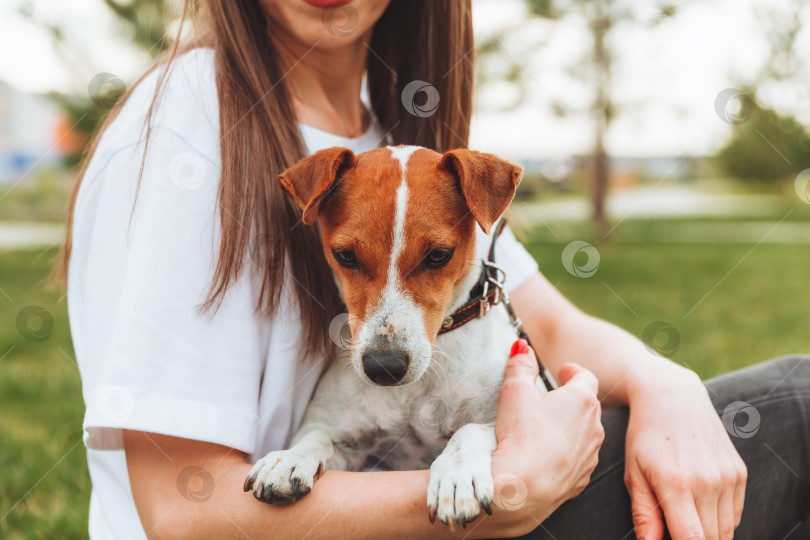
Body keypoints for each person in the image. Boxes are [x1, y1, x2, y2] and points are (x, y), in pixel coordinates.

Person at [61, 0, 809, 538]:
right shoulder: (187, 126)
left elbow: (545, 318)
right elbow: (182, 515)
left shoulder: (400, 151)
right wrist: (509, 491)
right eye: (350, 259)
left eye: (435, 263)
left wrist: (663, 384)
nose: (393, 308)